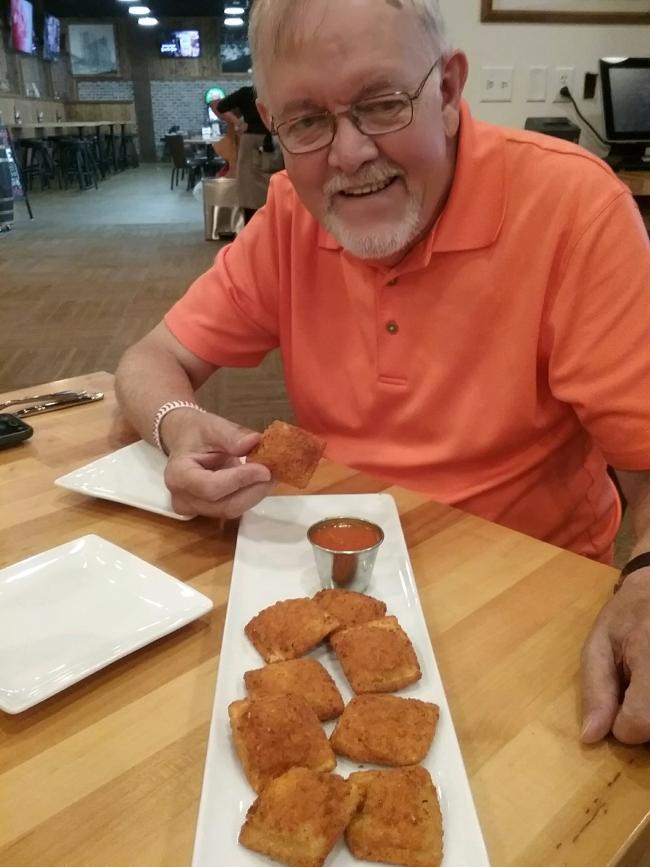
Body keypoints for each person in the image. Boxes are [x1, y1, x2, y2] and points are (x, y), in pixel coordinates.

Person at [115, 0, 650, 746]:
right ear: (274, 124)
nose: (350, 154)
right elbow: (148, 360)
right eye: (307, 121)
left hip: (529, 604)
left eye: (382, 104)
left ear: (450, 91)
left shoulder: (577, 209)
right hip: (333, 583)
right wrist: (176, 424)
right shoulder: (288, 219)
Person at [212, 85, 283, 223]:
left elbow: (220, 106)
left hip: (254, 140)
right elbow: (220, 106)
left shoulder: (247, 92)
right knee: (275, 186)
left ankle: (254, 233)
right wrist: (238, 122)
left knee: (250, 191)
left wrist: (238, 123)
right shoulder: (277, 90)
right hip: (274, 141)